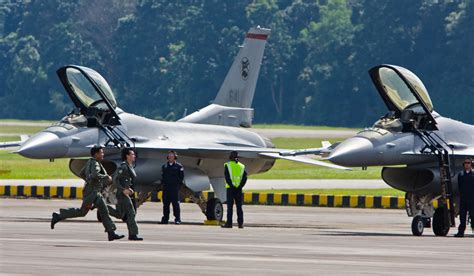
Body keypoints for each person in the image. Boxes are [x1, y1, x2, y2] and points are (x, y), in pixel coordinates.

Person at [50, 146, 124, 241]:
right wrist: (106, 177)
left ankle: (111, 233)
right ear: (96, 154)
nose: (103, 154)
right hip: (92, 192)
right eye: (101, 153)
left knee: (104, 211)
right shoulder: (95, 164)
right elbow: (95, 175)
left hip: (94, 191)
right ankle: (59, 215)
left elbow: (82, 173)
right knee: (82, 212)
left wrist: (89, 181)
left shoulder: (90, 162)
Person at [112, 148, 143, 241]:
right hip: (122, 194)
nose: (134, 156)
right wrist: (123, 190)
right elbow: (115, 180)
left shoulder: (130, 166)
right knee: (131, 212)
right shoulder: (123, 167)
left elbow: (127, 180)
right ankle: (133, 234)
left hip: (126, 193)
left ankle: (104, 208)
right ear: (127, 156)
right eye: (132, 154)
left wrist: (128, 188)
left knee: (120, 214)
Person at [222, 151, 247, 229]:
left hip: (230, 189)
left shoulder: (227, 165)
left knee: (230, 207)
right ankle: (240, 224)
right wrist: (240, 186)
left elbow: (227, 177)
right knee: (239, 207)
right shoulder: (242, 166)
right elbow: (244, 178)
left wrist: (232, 185)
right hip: (239, 189)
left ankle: (229, 223)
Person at [160, 150, 184, 224]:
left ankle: (177, 219)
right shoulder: (164, 166)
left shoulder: (179, 166)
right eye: (169, 155)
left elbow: (181, 177)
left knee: (175, 204)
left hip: (174, 188)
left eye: (172, 155)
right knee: (165, 205)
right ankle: (165, 219)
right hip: (166, 188)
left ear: (175, 157)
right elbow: (163, 176)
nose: (170, 156)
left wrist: (177, 184)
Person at [455, 157, 474, 237]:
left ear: (471, 164)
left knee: (473, 215)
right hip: (463, 199)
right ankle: (461, 232)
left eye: (468, 163)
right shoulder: (461, 174)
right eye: (465, 163)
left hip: (472, 199)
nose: (466, 164)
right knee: (462, 216)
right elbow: (459, 185)